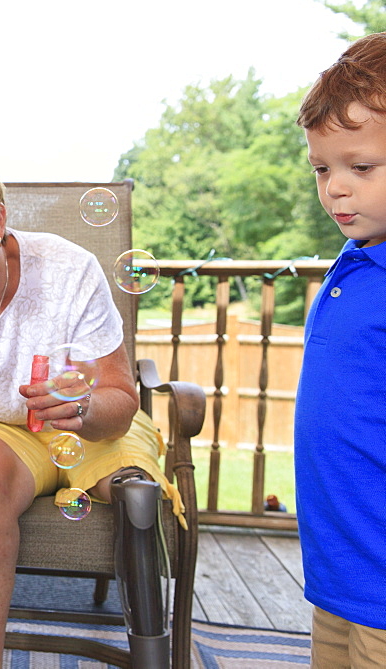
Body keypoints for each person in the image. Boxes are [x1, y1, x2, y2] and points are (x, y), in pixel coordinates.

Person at [0, 153, 183, 667]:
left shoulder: (68, 269)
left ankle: (154, 655)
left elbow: (119, 400)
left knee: (138, 496)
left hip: (89, 427)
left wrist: (84, 408)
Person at [295, 32, 386, 667]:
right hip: (339, 573)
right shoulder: (356, 261)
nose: (336, 190)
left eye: (361, 167)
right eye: (323, 169)